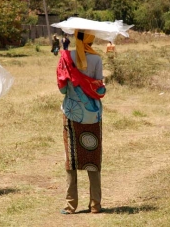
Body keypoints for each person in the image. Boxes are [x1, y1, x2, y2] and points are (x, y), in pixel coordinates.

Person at [56, 30, 106, 214]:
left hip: (71, 114)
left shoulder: (66, 57)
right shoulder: (97, 60)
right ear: (91, 39)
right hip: (93, 116)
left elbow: (62, 90)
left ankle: (71, 206)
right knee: (92, 159)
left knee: (71, 159)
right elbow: (99, 88)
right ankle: (95, 205)